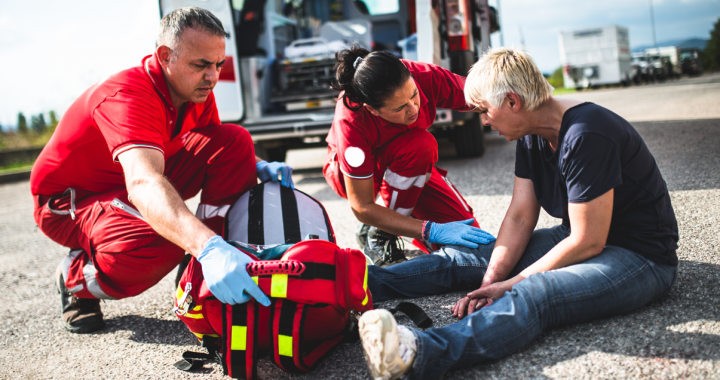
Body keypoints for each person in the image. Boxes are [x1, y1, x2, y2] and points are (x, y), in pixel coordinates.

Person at [357, 48, 679, 380]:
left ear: (513, 102)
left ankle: (416, 353)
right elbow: (520, 216)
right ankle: (359, 284)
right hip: (579, 238)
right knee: (476, 254)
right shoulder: (532, 135)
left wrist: (510, 284)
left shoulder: (587, 134)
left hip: (639, 256)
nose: (482, 120)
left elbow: (588, 242)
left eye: (485, 110)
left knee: (536, 291)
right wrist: (491, 278)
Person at [30, 7, 294, 334]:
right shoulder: (128, 95)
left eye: (218, 64)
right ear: (165, 56)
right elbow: (143, 182)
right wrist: (204, 246)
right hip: (72, 202)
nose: (213, 76)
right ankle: (74, 277)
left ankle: (215, 264)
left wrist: (255, 165)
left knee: (236, 141)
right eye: (201, 65)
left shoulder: (193, 90)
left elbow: (213, 146)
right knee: (162, 237)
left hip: (131, 186)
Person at [323, 46, 495, 267]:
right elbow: (362, 206)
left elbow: (485, 96)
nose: (414, 109)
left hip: (408, 163)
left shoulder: (422, 75)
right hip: (354, 174)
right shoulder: (352, 121)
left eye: (414, 95)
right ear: (373, 110)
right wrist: (429, 229)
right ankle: (382, 232)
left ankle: (388, 219)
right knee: (419, 145)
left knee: (473, 247)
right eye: (400, 108)